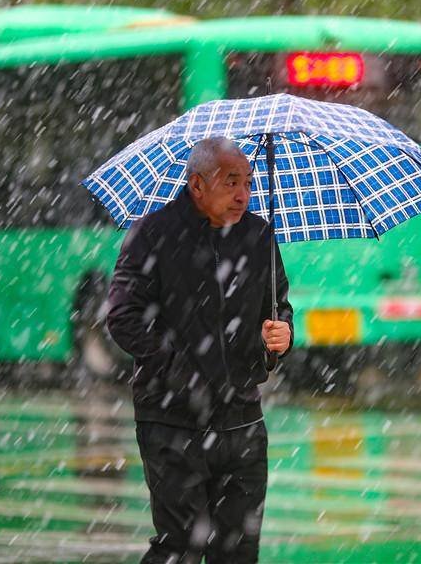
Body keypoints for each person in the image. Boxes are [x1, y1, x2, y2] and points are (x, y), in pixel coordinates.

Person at [106, 136, 293, 564]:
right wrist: (180, 372)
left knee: (238, 551)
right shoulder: (152, 235)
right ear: (196, 185)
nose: (243, 194)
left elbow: (278, 306)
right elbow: (123, 317)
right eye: (230, 183)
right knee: (181, 548)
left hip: (241, 422)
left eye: (247, 182)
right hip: (173, 421)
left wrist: (281, 336)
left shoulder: (259, 236)